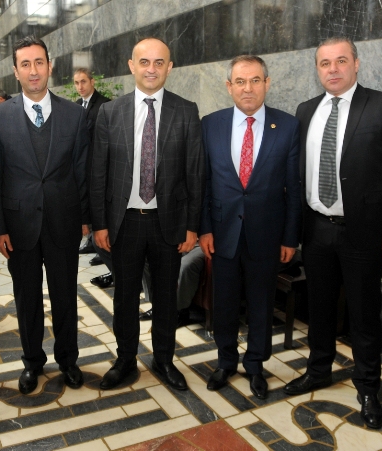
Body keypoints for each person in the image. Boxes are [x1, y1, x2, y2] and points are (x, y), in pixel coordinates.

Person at [283, 37, 382, 430]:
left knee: (363, 312)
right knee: (319, 306)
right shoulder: (306, 110)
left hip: (364, 231)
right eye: (325, 63)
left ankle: (368, 387)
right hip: (316, 228)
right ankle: (318, 369)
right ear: (317, 69)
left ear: (356, 64)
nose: (333, 69)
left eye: (341, 60)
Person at [92, 37, 204, 391]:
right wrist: (99, 224)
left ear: (169, 67)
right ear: (132, 66)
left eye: (159, 62)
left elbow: (195, 173)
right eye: (144, 62)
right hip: (124, 222)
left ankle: (164, 360)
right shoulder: (110, 113)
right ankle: (125, 360)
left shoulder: (186, 111)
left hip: (167, 223)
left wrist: (192, 226)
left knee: (166, 297)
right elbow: (98, 173)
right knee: (125, 296)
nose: (151, 69)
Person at [0, 35, 89, 395]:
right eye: (25, 64)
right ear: (16, 71)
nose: (33, 70)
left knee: (65, 296)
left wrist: (86, 218)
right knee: (26, 298)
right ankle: (32, 362)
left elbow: (82, 171)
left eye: (39, 62)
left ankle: (69, 359)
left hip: (64, 222)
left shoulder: (74, 114)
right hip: (18, 227)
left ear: (50, 66)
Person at [199, 55, 301, 399]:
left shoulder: (287, 126)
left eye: (255, 80)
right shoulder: (210, 124)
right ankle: (225, 361)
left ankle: (256, 364)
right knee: (224, 303)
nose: (248, 88)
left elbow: (294, 188)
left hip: (267, 235)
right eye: (240, 82)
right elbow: (204, 182)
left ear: (267, 84)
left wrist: (290, 237)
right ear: (229, 86)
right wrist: (204, 229)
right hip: (222, 233)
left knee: (261, 304)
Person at [73, 68, 109, 261]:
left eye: (83, 81)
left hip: (99, 166)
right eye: (76, 83)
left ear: (92, 82)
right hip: (82, 165)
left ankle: (102, 249)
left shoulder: (105, 105)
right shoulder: (76, 106)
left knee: (99, 205)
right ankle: (91, 242)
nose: (80, 86)